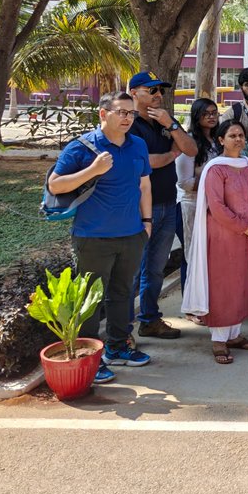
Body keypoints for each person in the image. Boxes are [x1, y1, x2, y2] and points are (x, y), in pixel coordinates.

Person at [49, 91, 153, 384]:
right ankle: (90, 357)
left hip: (132, 234)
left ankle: (119, 347)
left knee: (122, 294)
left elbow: (144, 186)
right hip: (92, 237)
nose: (127, 118)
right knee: (91, 300)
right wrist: (93, 170)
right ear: (103, 114)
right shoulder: (82, 147)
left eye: (131, 113)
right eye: (121, 112)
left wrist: (146, 222)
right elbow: (56, 186)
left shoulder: (138, 145)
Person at [181, 119, 248, 364]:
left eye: (241, 135)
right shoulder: (215, 168)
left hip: (246, 235)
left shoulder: (247, 165)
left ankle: (234, 334)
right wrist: (243, 226)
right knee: (223, 286)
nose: (238, 139)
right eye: (232, 135)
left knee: (242, 282)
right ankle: (219, 340)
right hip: (222, 236)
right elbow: (216, 207)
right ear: (220, 140)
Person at [127, 71, 198, 341]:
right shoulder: (129, 124)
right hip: (140, 209)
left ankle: (149, 319)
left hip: (169, 204)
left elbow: (190, 149)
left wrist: (171, 125)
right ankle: (121, 331)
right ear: (134, 92)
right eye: (151, 90)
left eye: (160, 91)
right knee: (131, 271)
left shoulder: (165, 122)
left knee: (155, 268)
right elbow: (145, 161)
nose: (158, 96)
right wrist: (170, 154)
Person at [175, 97, 220, 313]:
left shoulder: (219, 140)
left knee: (209, 256)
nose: (211, 117)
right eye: (206, 113)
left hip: (215, 207)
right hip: (191, 206)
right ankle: (191, 306)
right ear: (196, 116)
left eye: (214, 112)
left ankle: (207, 301)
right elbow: (184, 182)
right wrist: (208, 176)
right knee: (191, 255)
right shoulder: (189, 141)